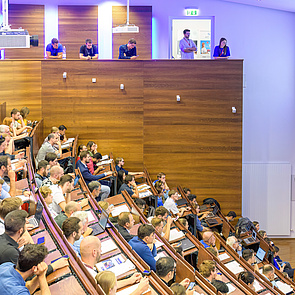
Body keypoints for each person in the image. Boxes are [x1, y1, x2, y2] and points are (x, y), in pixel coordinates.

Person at [80, 236, 145, 292]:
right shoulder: (92, 277)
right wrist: (139, 290)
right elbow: (108, 288)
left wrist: (130, 280)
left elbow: (110, 285)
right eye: (99, 249)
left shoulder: (83, 267)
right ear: (94, 252)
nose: (101, 251)